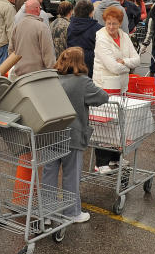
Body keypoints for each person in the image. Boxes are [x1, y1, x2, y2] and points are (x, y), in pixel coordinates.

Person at [42, 47, 108, 224]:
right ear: (81, 62)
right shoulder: (82, 82)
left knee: (49, 173)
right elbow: (103, 97)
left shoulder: (52, 78)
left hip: (50, 132)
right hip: (73, 134)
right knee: (71, 174)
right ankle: (72, 212)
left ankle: (47, 213)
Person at [91, 4, 141, 173]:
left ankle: (114, 159)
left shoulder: (124, 36)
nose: (111, 27)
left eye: (114, 24)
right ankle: (101, 163)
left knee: (118, 124)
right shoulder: (101, 38)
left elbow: (137, 59)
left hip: (120, 86)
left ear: (120, 23)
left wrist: (125, 62)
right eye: (108, 23)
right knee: (104, 125)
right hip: (105, 85)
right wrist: (127, 65)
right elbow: (112, 66)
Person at [9, 0, 55, 78]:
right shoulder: (41, 26)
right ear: (37, 9)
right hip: (37, 73)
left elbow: (11, 49)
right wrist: (52, 71)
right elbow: (48, 52)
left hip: (20, 72)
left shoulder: (17, 26)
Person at [66, 0, 101, 76]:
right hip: (89, 64)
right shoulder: (98, 28)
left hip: (72, 62)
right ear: (91, 13)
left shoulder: (70, 26)